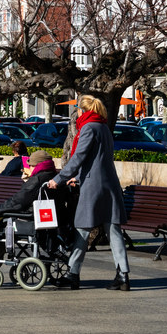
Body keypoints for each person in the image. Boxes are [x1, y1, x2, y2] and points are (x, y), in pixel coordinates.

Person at [47, 95, 130, 291]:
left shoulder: (88, 128)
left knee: (82, 229)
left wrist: (58, 179)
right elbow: (98, 159)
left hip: (94, 187)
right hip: (109, 184)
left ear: (83, 111)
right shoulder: (103, 128)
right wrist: (79, 177)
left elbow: (79, 157)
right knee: (113, 230)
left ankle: (72, 273)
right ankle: (123, 274)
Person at [0, 150, 60, 272]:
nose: (29, 167)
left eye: (31, 165)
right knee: (0, 225)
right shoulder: (53, 176)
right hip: (40, 216)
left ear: (37, 165)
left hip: (27, 217)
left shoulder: (37, 179)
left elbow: (17, 201)